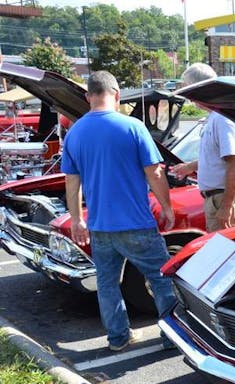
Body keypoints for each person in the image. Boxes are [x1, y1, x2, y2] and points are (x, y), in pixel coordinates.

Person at [61, 71, 176, 352]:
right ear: (117, 94)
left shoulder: (74, 133)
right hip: (137, 224)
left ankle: (118, 338)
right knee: (161, 280)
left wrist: (77, 219)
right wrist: (168, 207)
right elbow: (155, 172)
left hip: (99, 227)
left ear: (88, 96)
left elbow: (71, 183)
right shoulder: (133, 127)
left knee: (107, 284)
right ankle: (173, 338)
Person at [172, 63, 235, 231]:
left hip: (223, 198)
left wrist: (226, 207)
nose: (189, 98)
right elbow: (219, 157)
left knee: (225, 252)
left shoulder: (223, 119)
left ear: (200, 88)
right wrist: (189, 166)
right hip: (218, 198)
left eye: (189, 90)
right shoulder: (215, 117)